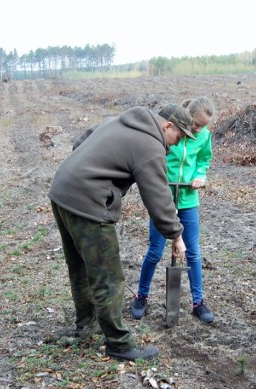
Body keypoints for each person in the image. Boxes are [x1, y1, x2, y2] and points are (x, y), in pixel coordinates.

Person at [48, 104, 196, 361]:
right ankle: (119, 343)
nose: (175, 146)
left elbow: (80, 143)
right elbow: (158, 198)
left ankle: (85, 326)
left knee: (80, 267)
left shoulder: (119, 121)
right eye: (179, 138)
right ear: (167, 126)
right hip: (86, 204)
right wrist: (176, 235)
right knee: (108, 276)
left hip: (62, 192)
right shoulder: (151, 145)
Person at [130, 97, 216, 323]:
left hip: (187, 198)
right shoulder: (168, 130)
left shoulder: (204, 136)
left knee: (193, 251)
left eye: (202, 127)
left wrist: (199, 175)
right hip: (163, 198)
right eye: (196, 124)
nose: (198, 130)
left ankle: (198, 302)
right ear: (187, 115)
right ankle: (142, 296)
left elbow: (204, 159)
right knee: (155, 251)